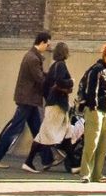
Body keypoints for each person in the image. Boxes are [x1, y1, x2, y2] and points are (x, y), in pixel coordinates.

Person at [0, 30, 52, 167]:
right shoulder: (33, 58)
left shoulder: (31, 56)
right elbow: (39, 79)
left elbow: (39, 75)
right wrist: (52, 79)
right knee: (15, 129)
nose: (48, 48)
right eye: (47, 44)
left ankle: (48, 159)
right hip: (28, 99)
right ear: (41, 43)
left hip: (29, 99)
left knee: (38, 130)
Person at [23, 40, 75, 172]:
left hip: (55, 104)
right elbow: (59, 82)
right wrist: (71, 82)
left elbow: (46, 85)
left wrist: (49, 98)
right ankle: (29, 162)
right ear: (65, 53)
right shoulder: (61, 65)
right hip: (57, 106)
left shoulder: (54, 66)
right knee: (44, 135)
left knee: (67, 133)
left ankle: (74, 165)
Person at [78, 43, 106, 183]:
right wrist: (93, 106)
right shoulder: (97, 69)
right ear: (105, 56)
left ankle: (97, 174)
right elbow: (91, 89)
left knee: (102, 144)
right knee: (92, 142)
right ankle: (85, 173)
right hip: (95, 110)